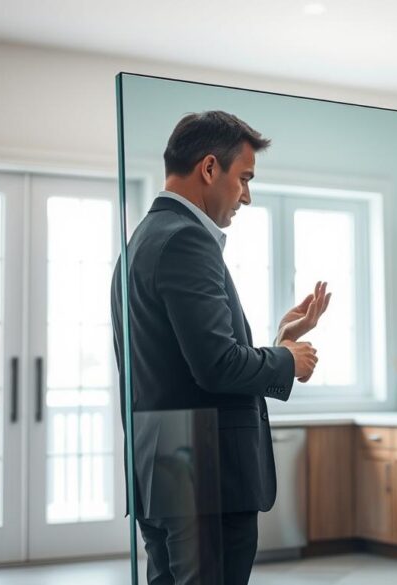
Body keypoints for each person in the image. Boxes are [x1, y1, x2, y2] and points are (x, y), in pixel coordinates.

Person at [111, 111, 331, 585]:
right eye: (244, 179)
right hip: (201, 470)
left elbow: (187, 363)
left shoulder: (141, 241)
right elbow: (217, 366)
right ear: (210, 168)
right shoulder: (187, 240)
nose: (247, 196)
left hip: (164, 461)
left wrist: (280, 340)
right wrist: (287, 360)